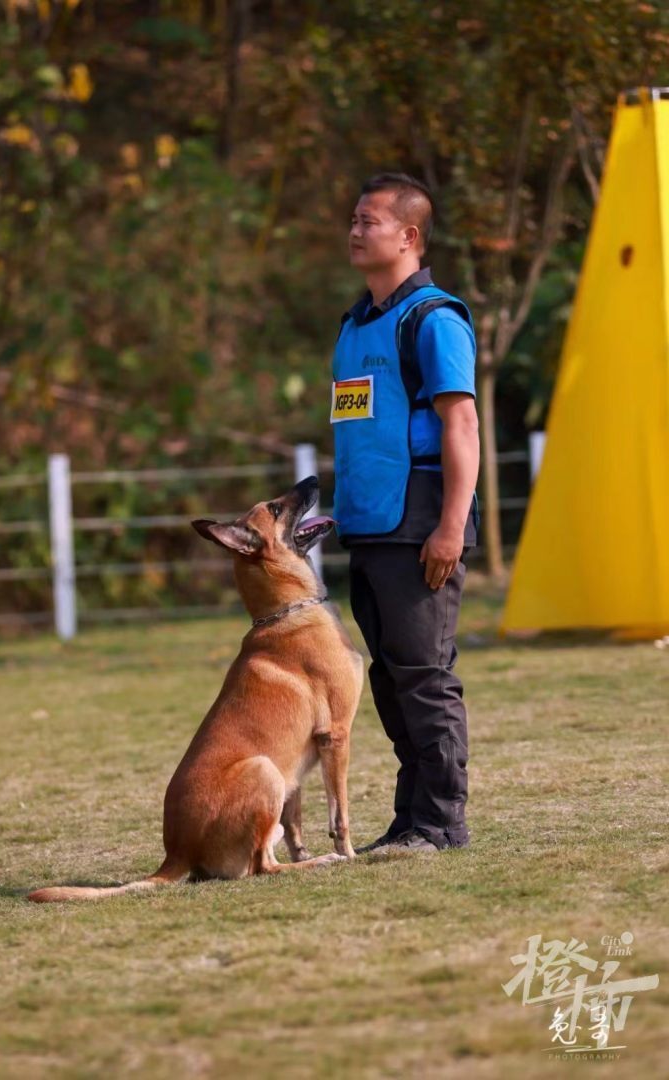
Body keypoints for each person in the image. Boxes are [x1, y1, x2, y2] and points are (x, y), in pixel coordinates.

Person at [331, 172, 480, 853]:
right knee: (391, 679)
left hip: (420, 522)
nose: (356, 231)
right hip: (368, 528)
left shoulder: (435, 319)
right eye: (354, 220)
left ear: (409, 236)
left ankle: (442, 823)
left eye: (370, 220)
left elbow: (463, 428)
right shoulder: (355, 322)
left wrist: (451, 526)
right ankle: (410, 818)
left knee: (424, 676)